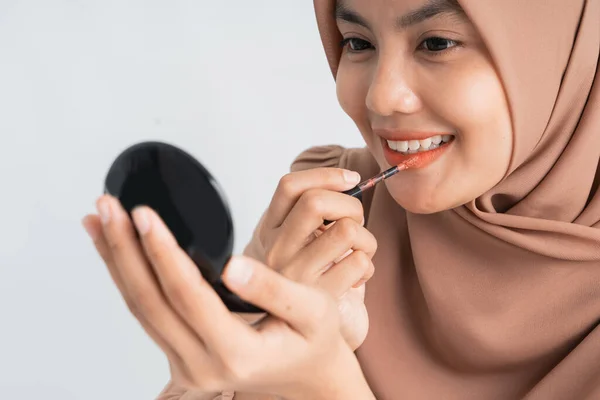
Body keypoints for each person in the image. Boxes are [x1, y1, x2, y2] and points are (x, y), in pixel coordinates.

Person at [81, 0, 600, 398]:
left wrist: (321, 381)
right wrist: (244, 336)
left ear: (552, 52)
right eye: (357, 42)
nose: (380, 96)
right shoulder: (330, 213)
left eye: (437, 43)